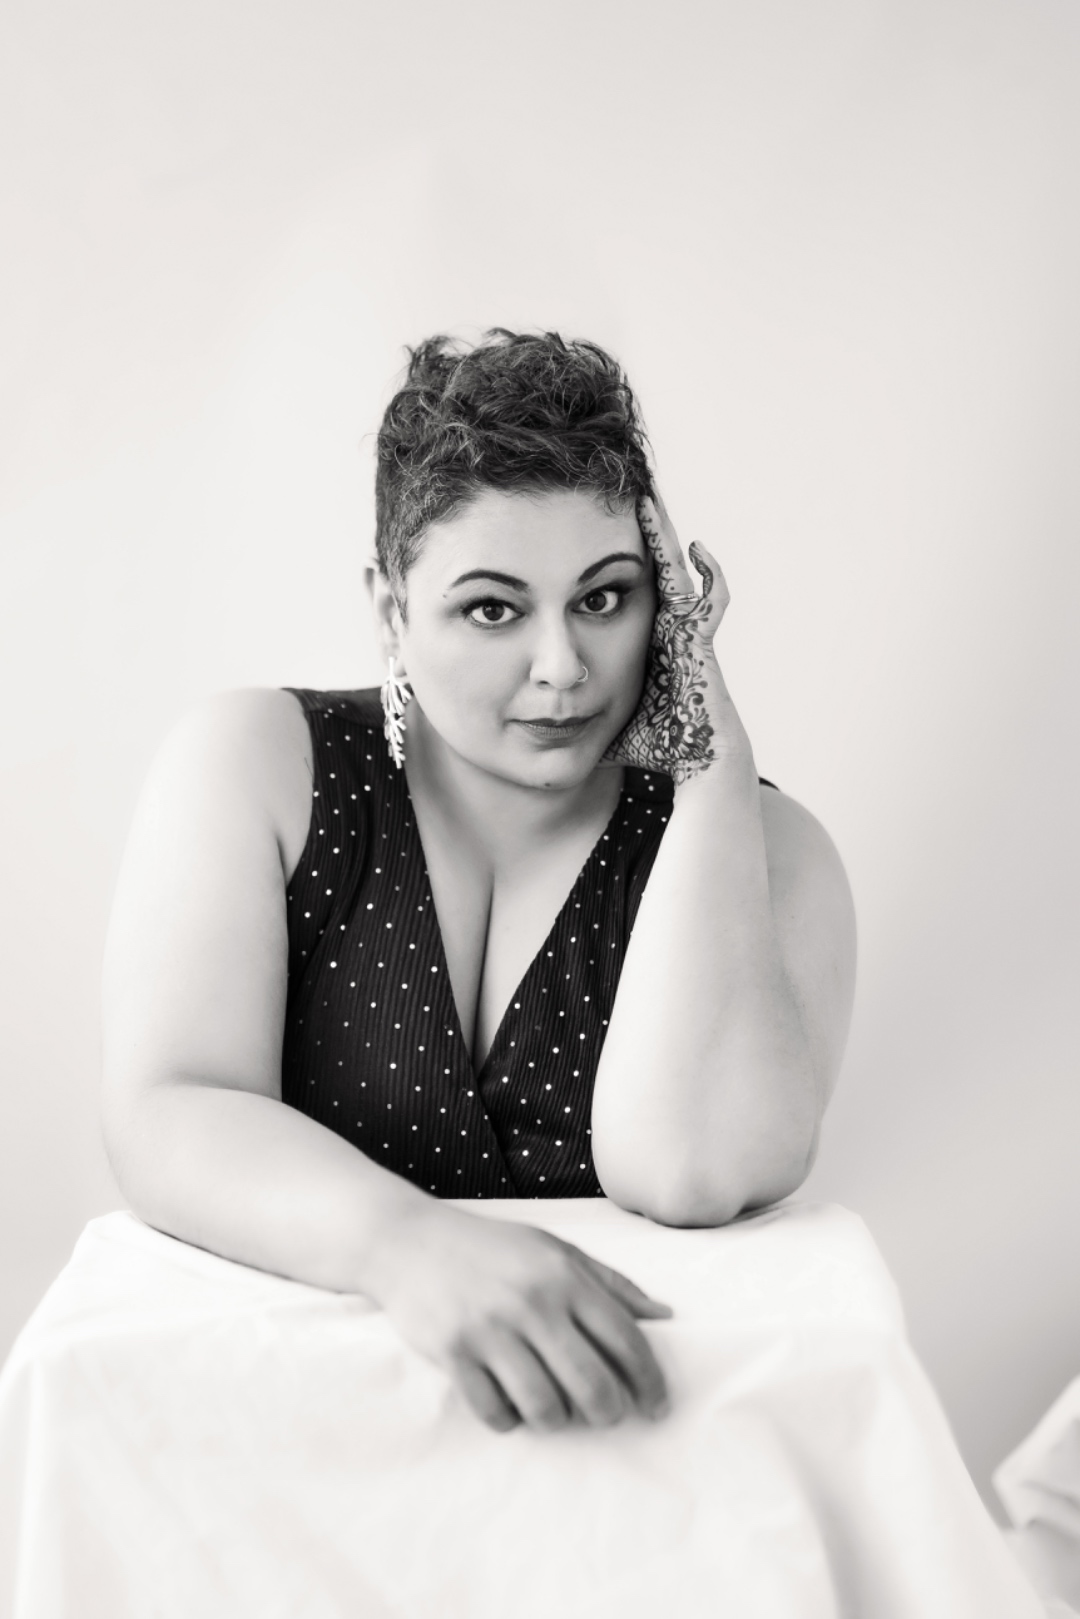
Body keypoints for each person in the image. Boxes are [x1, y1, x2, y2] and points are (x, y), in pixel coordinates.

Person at [101, 329, 857, 1439]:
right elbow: (166, 1109)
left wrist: (714, 772)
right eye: (494, 608)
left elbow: (691, 1170)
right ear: (391, 606)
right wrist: (410, 1245)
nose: (562, 666)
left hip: (642, 1469)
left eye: (606, 597)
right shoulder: (256, 766)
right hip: (284, 1458)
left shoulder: (768, 849)